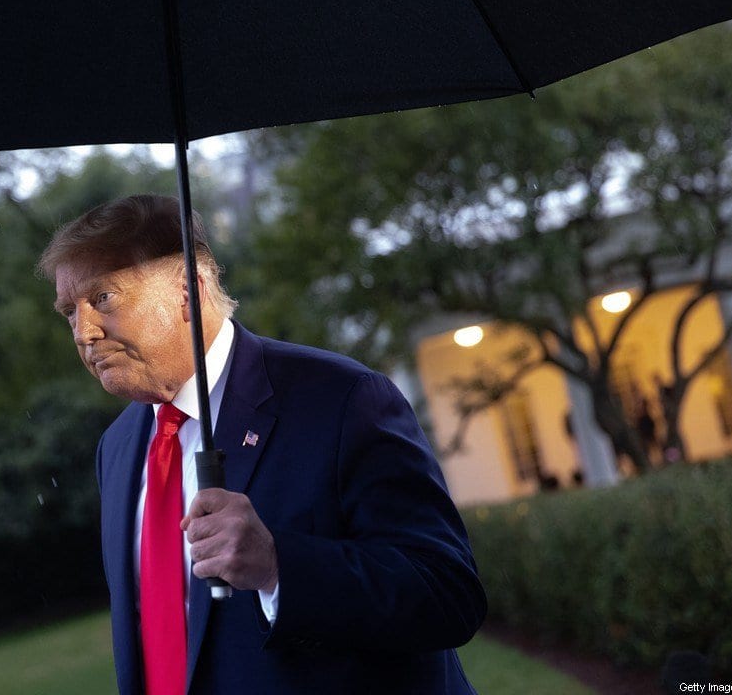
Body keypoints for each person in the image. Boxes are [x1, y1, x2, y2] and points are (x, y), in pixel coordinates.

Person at [39, 195, 486, 695]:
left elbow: (447, 595)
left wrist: (278, 565)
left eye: (103, 298)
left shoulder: (341, 399)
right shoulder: (116, 448)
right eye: (69, 313)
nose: (85, 333)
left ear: (188, 289)